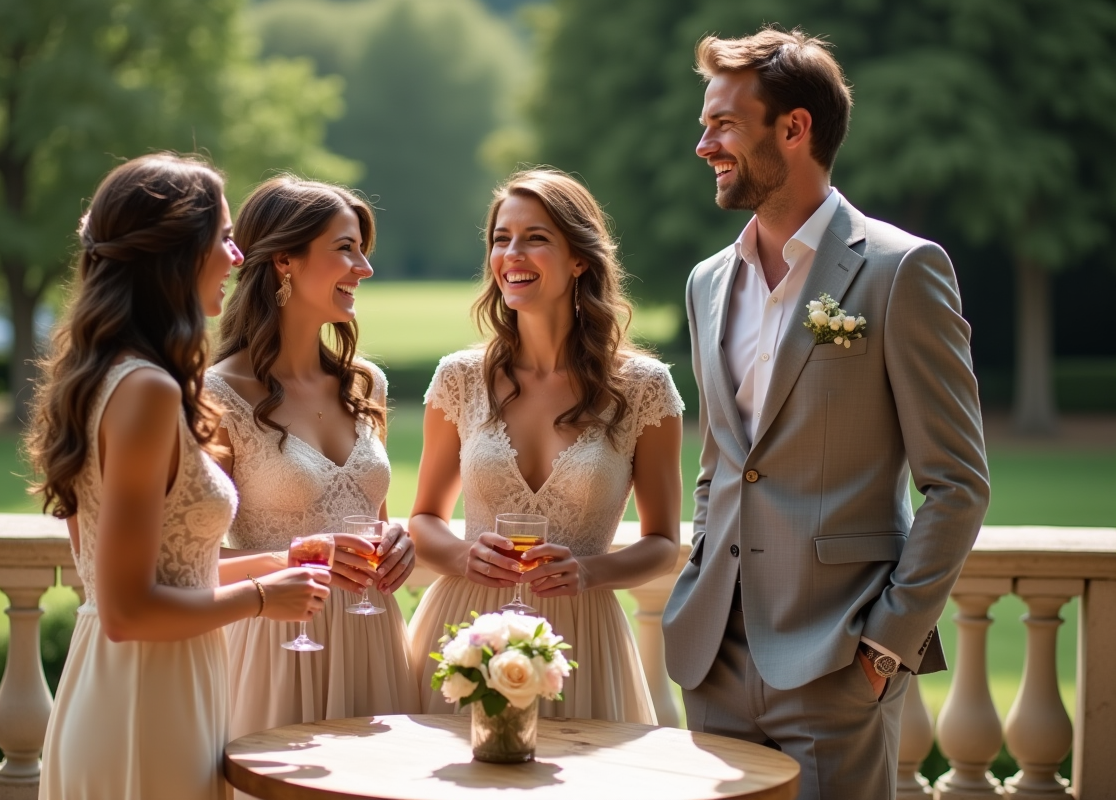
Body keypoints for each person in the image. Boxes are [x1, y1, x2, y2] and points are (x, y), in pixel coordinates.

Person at [661, 28, 990, 799]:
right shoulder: (707, 282)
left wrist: (886, 649)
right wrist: (703, 574)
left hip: (838, 663)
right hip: (713, 661)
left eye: (723, 125)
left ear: (795, 128)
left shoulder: (899, 270)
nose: (704, 144)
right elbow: (722, 462)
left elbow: (958, 484)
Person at [27, 154, 329, 800]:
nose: (238, 255)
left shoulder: (110, 376)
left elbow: (167, 574)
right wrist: (260, 603)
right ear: (177, 253)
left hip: (143, 686)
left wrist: (276, 565)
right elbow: (126, 609)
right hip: (144, 703)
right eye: (222, 236)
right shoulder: (146, 392)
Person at [407, 168, 683, 724]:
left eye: (536, 237)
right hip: (463, 631)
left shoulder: (644, 389)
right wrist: (465, 557)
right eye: (501, 238)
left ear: (579, 258)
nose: (512, 252)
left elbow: (660, 541)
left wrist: (590, 571)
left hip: (580, 634)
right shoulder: (459, 379)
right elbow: (423, 521)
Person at [207, 176, 420, 753]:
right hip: (277, 643)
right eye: (345, 249)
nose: (364, 268)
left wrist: (397, 540)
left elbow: (372, 520)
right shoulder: (216, 397)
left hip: (373, 637)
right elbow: (191, 560)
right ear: (284, 261)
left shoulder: (363, 382)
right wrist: (292, 559)